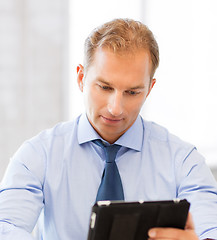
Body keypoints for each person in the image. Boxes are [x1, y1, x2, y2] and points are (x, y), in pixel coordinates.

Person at [0, 18, 217, 240]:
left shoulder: (185, 162)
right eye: (104, 87)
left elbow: (210, 230)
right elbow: (6, 226)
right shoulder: (38, 155)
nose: (115, 108)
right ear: (81, 78)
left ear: (149, 89)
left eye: (132, 92)